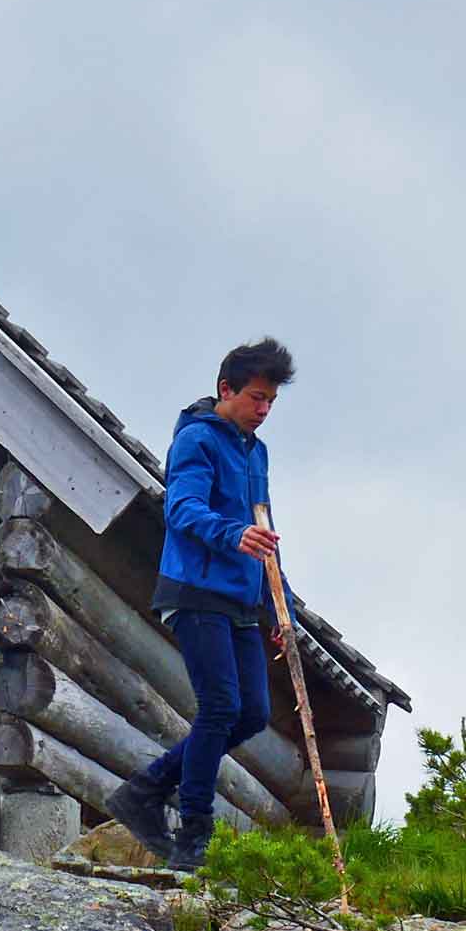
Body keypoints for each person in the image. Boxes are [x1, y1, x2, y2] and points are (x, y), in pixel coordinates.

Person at [107, 340, 298, 870]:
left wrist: (283, 611)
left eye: (271, 403)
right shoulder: (195, 440)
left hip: (241, 597)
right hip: (193, 590)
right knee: (219, 708)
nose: (263, 410)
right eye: (257, 398)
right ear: (225, 390)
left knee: (253, 712)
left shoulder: (256, 451)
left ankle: (144, 790)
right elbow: (182, 508)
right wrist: (232, 534)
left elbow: (265, 530)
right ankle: (194, 834)